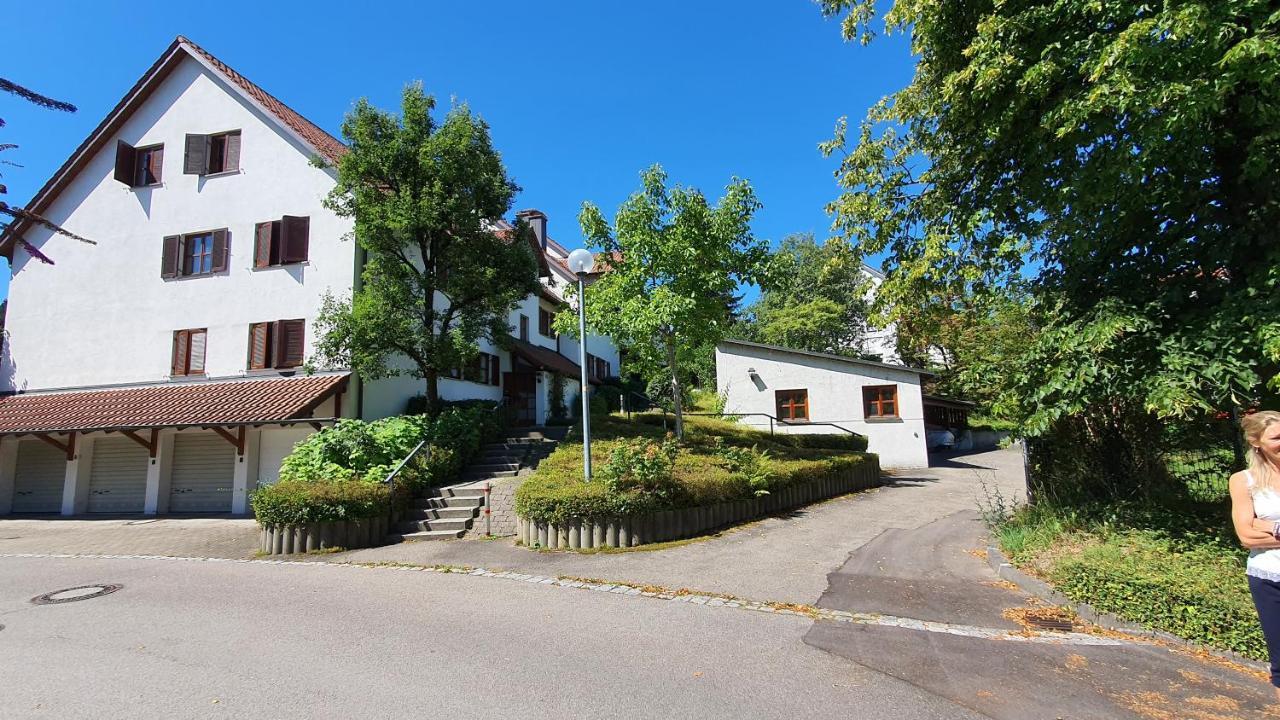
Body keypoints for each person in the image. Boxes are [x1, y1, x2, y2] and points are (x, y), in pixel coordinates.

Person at [1229, 410, 1280, 701]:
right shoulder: (1243, 481)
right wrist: (1265, 526)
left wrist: (1266, 525)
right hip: (1270, 579)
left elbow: (1254, 527)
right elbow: (1247, 536)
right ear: (1256, 441)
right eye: (1277, 437)